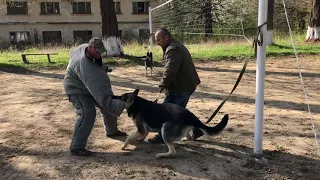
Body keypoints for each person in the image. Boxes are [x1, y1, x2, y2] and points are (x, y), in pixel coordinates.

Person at [64, 37, 127, 156]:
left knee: (107, 105)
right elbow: (100, 91)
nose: (99, 54)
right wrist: (120, 105)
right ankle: (76, 147)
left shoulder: (85, 49)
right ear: (90, 47)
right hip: (76, 89)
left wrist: (102, 68)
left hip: (86, 85)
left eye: (101, 52)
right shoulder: (84, 64)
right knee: (88, 112)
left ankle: (112, 131)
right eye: (97, 51)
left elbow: (93, 68)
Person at [148, 28, 203, 144]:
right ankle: (197, 129)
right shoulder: (174, 46)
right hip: (187, 85)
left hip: (180, 88)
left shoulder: (173, 49)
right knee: (179, 112)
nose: (157, 43)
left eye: (159, 40)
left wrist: (163, 83)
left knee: (165, 112)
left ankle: (162, 136)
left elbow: (171, 70)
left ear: (166, 38)